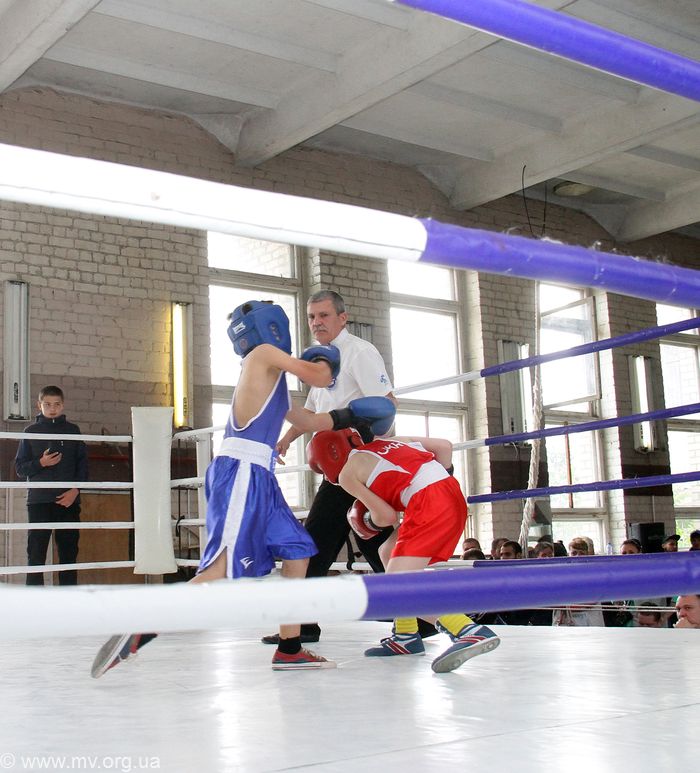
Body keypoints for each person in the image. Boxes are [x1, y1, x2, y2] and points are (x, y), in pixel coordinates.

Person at [91, 300, 395, 677]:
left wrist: (352, 416)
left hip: (259, 476)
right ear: (269, 329)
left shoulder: (272, 377)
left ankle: (290, 649)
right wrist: (328, 357)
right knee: (219, 568)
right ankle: (142, 626)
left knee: (298, 551)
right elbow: (319, 376)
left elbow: (310, 420)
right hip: (241, 473)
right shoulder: (263, 354)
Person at [263, 289, 409, 646]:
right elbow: (313, 411)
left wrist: (370, 449)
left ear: (342, 318)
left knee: (326, 538)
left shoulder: (360, 352)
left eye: (324, 315)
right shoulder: (322, 361)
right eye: (312, 317)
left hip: (361, 459)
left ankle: (304, 625)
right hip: (338, 463)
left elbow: (387, 405)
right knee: (366, 539)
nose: (317, 323)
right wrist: (286, 439)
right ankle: (417, 618)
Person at [307, 428, 501, 673]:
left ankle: (468, 631)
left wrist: (364, 522)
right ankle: (405, 635)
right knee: (387, 551)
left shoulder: (347, 475)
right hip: (450, 492)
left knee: (397, 588)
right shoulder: (393, 441)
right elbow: (444, 446)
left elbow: (386, 517)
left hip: (428, 503)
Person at [14, 385, 88, 586]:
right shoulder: (30, 432)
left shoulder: (73, 431)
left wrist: (75, 490)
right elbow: (20, 468)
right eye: (47, 404)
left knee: (69, 552)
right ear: (39, 405)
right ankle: (34, 597)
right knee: (36, 552)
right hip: (39, 501)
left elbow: (82, 465)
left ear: (63, 405)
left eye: (56, 404)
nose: (52, 408)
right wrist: (41, 463)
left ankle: (69, 597)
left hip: (68, 500)